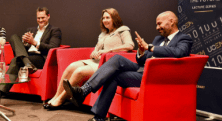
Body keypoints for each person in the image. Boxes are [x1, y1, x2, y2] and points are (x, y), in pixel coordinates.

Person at [63, 11, 193, 121]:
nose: (157, 27)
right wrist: (141, 52)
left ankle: (85, 93)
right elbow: (142, 61)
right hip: (143, 71)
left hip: (157, 77)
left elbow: (179, 52)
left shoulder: (184, 38)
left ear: (171, 22)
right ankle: (97, 113)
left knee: (115, 70)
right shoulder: (158, 39)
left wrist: (151, 48)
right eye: (156, 24)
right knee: (117, 61)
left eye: (159, 24)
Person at [44, 8, 134, 110]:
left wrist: (109, 50)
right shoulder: (103, 34)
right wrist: (94, 54)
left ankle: (60, 99)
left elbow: (130, 45)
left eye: (108, 17)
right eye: (103, 18)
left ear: (114, 18)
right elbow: (96, 50)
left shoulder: (123, 30)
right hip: (96, 60)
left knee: (79, 71)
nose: (105, 20)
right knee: (71, 66)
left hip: (108, 64)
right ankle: (56, 96)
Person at [0, 7, 62, 104]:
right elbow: (25, 47)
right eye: (38, 18)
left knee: (16, 60)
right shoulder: (31, 30)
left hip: (40, 58)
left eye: (43, 18)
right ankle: (27, 62)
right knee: (14, 37)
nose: (40, 20)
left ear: (48, 16)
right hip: (27, 55)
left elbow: (53, 48)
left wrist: (35, 43)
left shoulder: (55, 30)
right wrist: (24, 43)